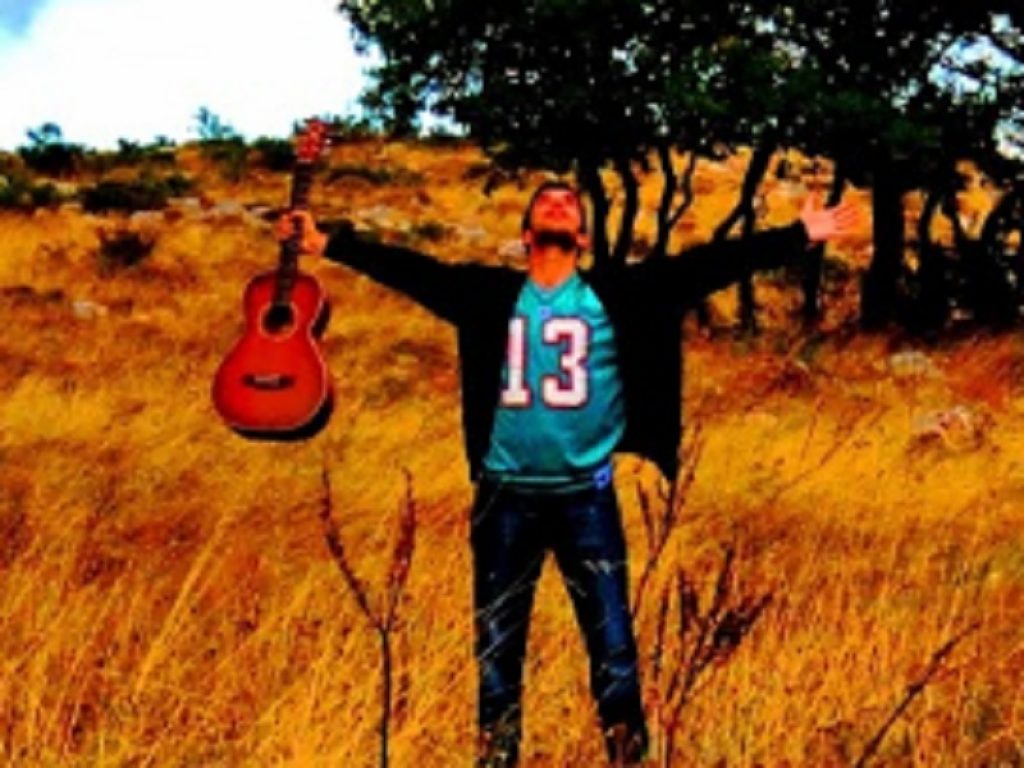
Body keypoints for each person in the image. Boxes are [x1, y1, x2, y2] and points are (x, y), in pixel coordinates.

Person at [276, 181, 857, 766]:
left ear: (581, 236)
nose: (558, 204)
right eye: (544, 203)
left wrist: (798, 235)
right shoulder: (489, 295)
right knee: (498, 655)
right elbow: (415, 272)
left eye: (570, 205)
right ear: (526, 234)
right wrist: (327, 243)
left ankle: (627, 758)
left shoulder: (619, 295)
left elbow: (703, 267)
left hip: (588, 500)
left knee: (614, 652)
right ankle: (496, 759)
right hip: (503, 500)